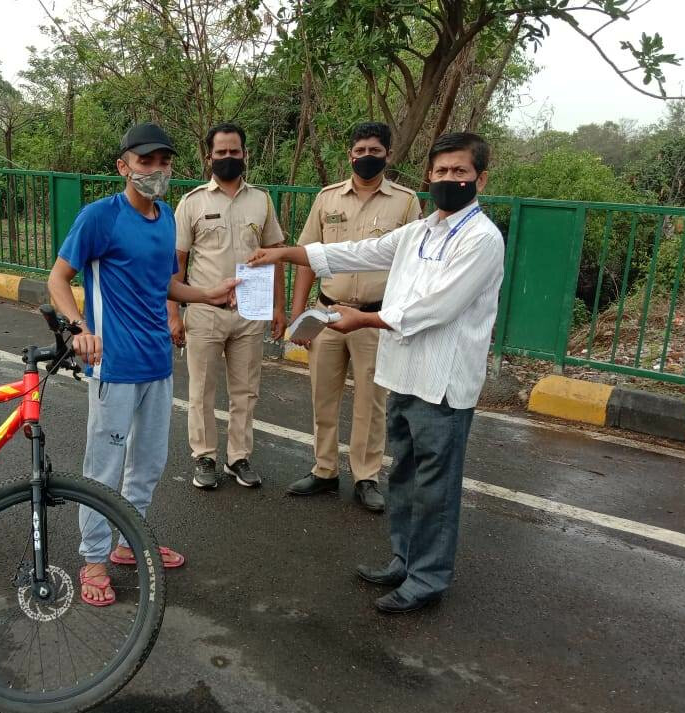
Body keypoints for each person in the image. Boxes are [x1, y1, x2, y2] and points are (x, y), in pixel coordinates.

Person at [248, 132, 504, 613]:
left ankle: (427, 579)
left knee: (435, 488)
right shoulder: (421, 229)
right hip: (404, 373)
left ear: (479, 179)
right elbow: (357, 253)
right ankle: (404, 559)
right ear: (429, 175)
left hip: (443, 383)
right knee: (405, 477)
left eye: (461, 172)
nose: (450, 179)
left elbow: (437, 307)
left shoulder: (481, 239)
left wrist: (361, 318)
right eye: (443, 171)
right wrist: (285, 254)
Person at [48, 122, 238, 607]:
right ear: (124, 166)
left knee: (148, 463)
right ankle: (93, 557)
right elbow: (58, 279)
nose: (155, 170)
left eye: (163, 162)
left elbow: (165, 285)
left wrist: (207, 294)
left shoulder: (167, 216)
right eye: (145, 161)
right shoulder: (99, 218)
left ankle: (128, 540)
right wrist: (79, 329)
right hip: (113, 364)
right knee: (105, 463)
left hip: (157, 361)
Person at [288, 122, 421, 512]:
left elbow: (414, 263)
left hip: (372, 318)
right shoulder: (328, 199)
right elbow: (308, 259)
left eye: (375, 150)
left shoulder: (406, 202)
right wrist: (299, 315)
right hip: (328, 313)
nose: (367, 156)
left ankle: (366, 477)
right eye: (360, 149)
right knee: (322, 397)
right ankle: (324, 470)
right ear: (350, 155)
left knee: (372, 402)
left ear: (388, 155)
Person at [170, 122, 287, 490]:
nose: (228, 158)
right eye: (221, 152)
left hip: (250, 313)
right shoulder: (192, 203)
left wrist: (279, 310)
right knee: (201, 390)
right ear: (209, 157)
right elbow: (176, 265)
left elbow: (275, 257)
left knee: (246, 391)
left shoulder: (262, 200)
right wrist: (173, 314)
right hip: (205, 313)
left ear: (245, 155)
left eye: (234, 151)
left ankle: (239, 458)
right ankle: (204, 456)